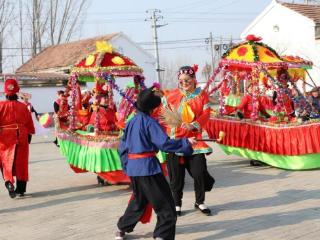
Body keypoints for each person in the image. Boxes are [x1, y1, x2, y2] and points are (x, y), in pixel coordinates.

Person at [116, 87, 195, 240]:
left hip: (134, 169)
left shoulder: (131, 122)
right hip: (148, 169)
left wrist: (127, 165)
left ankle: (121, 228)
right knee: (166, 206)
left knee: (139, 201)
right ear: (152, 108)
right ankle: (162, 236)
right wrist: (186, 143)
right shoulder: (150, 123)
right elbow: (164, 144)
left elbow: (123, 147)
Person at [162, 65, 215, 216]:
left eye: (187, 80)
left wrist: (193, 125)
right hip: (176, 141)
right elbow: (164, 117)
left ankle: (200, 201)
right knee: (176, 176)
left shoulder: (201, 95)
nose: (184, 83)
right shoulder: (169, 96)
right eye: (181, 80)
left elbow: (206, 113)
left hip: (194, 140)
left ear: (193, 79)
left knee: (199, 172)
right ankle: (176, 203)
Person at [0, 79, 35, 198]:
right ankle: (21, 189)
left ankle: (9, 182)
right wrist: (29, 136)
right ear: (17, 92)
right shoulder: (23, 107)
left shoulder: (0, 106)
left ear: (5, 93)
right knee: (21, 162)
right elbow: (29, 124)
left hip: (5, 136)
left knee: (6, 161)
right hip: (22, 135)